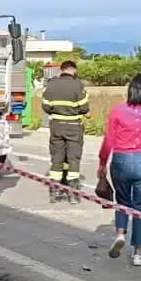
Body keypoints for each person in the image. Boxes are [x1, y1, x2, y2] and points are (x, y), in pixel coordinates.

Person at [97, 74, 141, 266]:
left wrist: (102, 163)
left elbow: (109, 139)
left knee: (122, 201)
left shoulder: (118, 110)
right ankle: (138, 251)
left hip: (121, 159)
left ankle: (120, 234)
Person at [42, 61, 90, 202]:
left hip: (56, 125)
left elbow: (46, 107)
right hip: (74, 126)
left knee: (57, 158)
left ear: (61, 70)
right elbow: (84, 107)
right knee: (73, 158)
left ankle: (55, 191)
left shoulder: (50, 85)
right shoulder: (78, 85)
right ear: (73, 70)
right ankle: (73, 193)